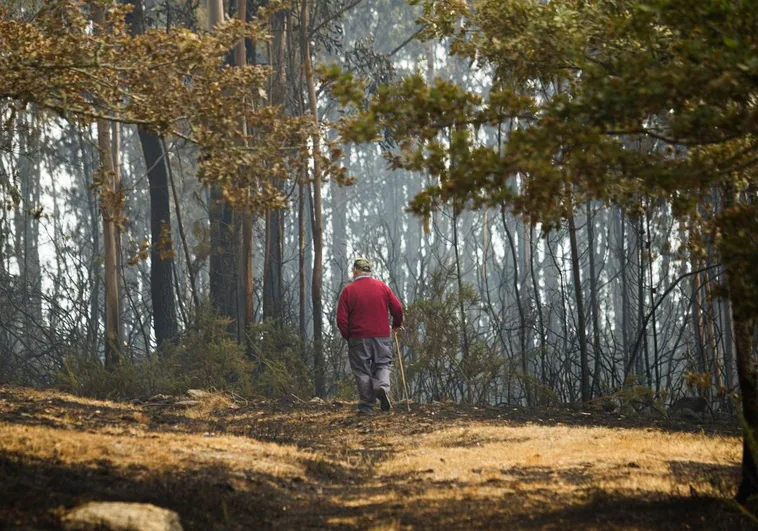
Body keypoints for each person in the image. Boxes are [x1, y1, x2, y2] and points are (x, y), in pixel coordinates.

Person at [336, 257, 403, 415]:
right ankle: (382, 387)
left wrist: (349, 336)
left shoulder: (348, 291)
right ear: (369, 271)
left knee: (362, 369)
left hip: (358, 337)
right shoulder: (382, 287)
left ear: (355, 271)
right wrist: (396, 324)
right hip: (381, 335)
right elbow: (397, 307)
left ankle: (366, 406)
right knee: (383, 364)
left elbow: (341, 319)